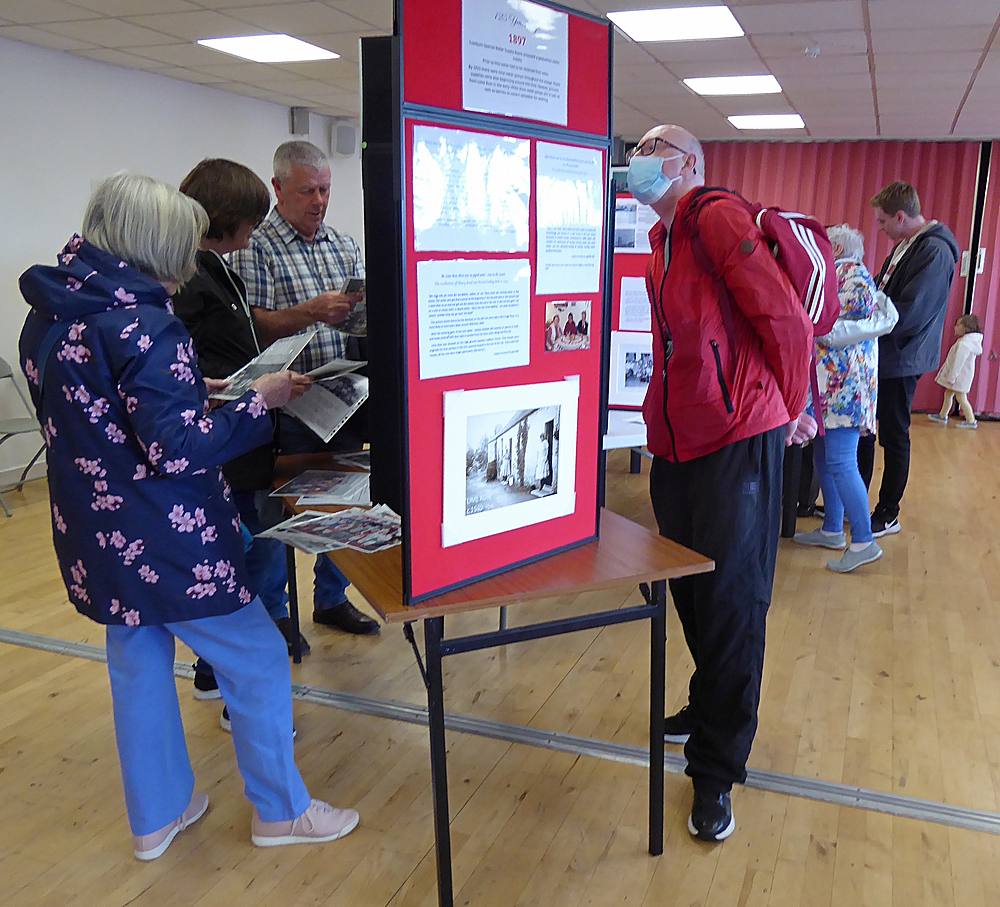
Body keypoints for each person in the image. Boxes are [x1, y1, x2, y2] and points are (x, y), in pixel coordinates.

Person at [17, 173, 359, 860]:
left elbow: (96, 405)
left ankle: (158, 815)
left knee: (138, 661)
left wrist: (186, 387)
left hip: (95, 531)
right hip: (167, 535)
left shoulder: (53, 311)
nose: (183, 272)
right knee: (258, 656)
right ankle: (282, 812)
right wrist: (258, 400)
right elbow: (179, 451)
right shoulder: (147, 328)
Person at [628, 124, 815, 842]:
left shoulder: (716, 216)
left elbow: (784, 319)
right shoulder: (662, 240)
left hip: (738, 436)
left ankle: (715, 770)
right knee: (689, 586)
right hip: (679, 441)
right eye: (637, 150)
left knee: (734, 601)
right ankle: (708, 703)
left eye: (652, 150)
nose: (639, 160)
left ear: (687, 164)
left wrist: (788, 407)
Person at [229, 140, 378, 636]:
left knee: (345, 502)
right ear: (278, 188)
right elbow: (252, 326)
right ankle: (274, 614)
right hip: (288, 406)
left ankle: (331, 599)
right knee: (275, 515)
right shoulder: (256, 246)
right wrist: (308, 313)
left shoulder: (343, 244)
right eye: (307, 191)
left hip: (344, 398)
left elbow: (360, 318)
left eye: (325, 190)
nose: (319, 201)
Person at [858, 181, 959, 538]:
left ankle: (888, 513)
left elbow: (911, 313)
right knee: (867, 430)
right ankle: (855, 502)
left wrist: (864, 323)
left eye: (883, 221)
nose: (880, 228)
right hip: (884, 354)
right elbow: (880, 289)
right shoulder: (906, 245)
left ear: (901, 217)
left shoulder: (934, 251)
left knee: (894, 435)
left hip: (902, 358)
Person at [793, 225, 882, 573]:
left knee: (842, 461)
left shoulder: (852, 275)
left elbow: (836, 317)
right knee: (824, 456)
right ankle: (832, 529)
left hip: (844, 390)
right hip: (832, 389)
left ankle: (864, 540)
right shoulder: (844, 275)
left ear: (838, 248)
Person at [928, 313, 984, 428]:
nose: (955, 327)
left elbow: (958, 363)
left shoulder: (964, 344)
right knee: (948, 394)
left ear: (966, 328)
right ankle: (943, 415)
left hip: (958, 378)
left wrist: (951, 377)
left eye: (958, 325)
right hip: (960, 377)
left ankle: (971, 421)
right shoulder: (966, 342)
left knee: (961, 397)